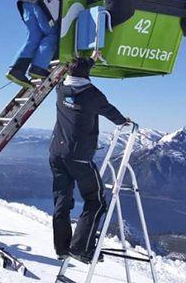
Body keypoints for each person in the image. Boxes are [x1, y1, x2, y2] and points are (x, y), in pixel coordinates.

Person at [49, 50, 129, 263]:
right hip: (79, 157)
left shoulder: (60, 89)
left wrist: (89, 61)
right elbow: (111, 112)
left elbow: (75, 72)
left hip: (56, 153)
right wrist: (123, 121)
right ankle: (81, 248)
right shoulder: (92, 94)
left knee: (62, 202)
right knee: (96, 201)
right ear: (86, 75)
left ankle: (62, 248)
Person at [6, 0, 62, 88]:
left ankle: (16, 69)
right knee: (51, 35)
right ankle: (38, 67)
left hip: (26, 1)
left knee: (34, 36)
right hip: (42, 0)